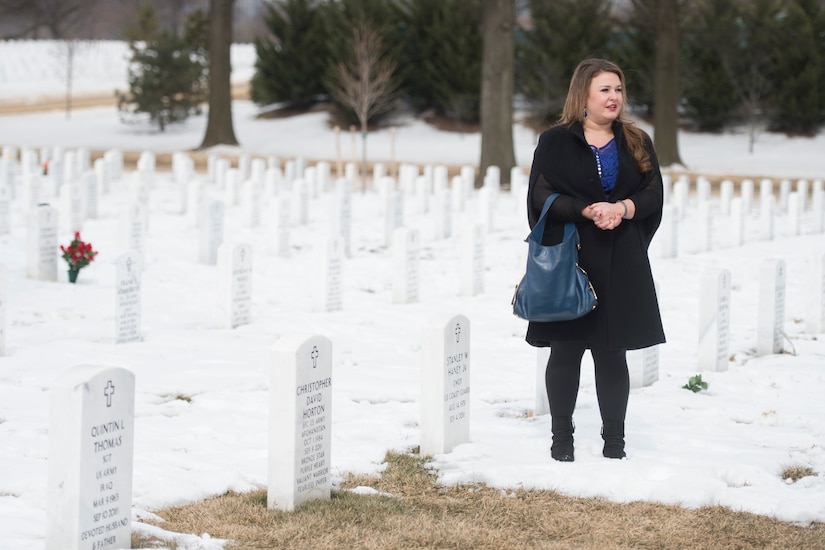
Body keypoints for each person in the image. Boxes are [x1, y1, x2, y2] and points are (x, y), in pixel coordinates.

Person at [525, 58, 665, 461]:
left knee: (612, 352)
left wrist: (622, 208)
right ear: (583, 94)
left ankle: (614, 442)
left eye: (618, 90)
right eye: (605, 89)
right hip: (572, 258)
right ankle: (561, 439)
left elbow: (653, 194)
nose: (614, 97)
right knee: (565, 350)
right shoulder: (555, 141)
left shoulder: (637, 140)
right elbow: (540, 195)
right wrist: (585, 210)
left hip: (621, 257)